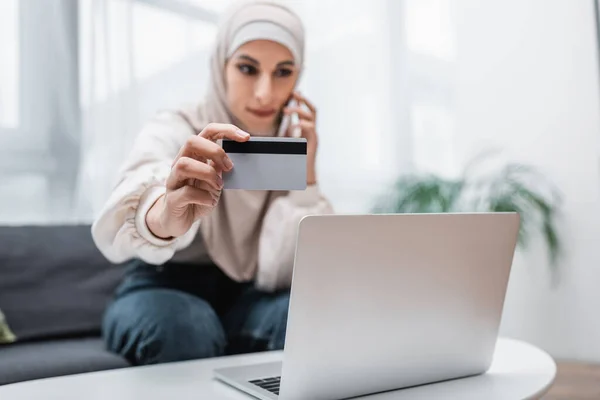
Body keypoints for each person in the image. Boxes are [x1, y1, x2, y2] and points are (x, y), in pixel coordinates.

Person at [91, 0, 333, 366]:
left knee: (310, 314)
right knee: (186, 327)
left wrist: (308, 176)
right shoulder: (179, 125)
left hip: (246, 299)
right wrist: (165, 215)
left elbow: (286, 268)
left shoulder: (289, 146)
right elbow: (140, 179)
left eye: (283, 72)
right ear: (221, 65)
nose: (266, 93)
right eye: (248, 68)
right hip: (161, 287)